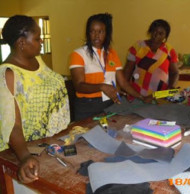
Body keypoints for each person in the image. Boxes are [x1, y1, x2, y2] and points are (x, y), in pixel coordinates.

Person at [0, 15, 70, 183]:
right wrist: (25, 157)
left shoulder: (37, 60)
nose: (41, 42)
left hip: (50, 145)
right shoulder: (8, 74)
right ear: (21, 43)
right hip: (24, 152)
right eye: (38, 39)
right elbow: (12, 125)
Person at [69, 13, 144, 121]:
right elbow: (79, 86)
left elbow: (123, 83)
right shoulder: (78, 54)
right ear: (88, 33)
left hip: (109, 104)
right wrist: (101, 86)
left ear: (106, 33)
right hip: (87, 106)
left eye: (100, 31)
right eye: (92, 31)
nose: (96, 35)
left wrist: (141, 97)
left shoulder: (111, 53)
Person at [123, 19, 179, 101]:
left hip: (159, 97)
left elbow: (175, 72)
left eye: (161, 33)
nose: (156, 35)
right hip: (136, 94)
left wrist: (171, 89)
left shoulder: (169, 51)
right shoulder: (138, 46)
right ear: (150, 31)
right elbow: (128, 70)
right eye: (154, 31)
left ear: (165, 36)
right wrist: (124, 88)